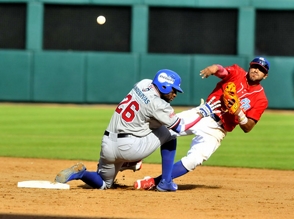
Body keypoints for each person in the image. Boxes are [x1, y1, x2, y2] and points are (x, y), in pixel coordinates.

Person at [54, 69, 220, 192]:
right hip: (129, 147)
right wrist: (201, 113)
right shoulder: (159, 105)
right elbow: (180, 127)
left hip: (107, 144)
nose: (175, 94)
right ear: (163, 86)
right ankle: (166, 182)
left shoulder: (144, 83)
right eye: (173, 89)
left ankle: (81, 174)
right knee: (171, 133)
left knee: (104, 184)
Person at [134, 56, 270, 190]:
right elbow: (223, 71)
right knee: (164, 129)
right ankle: (134, 157)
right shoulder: (238, 73)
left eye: (261, 69)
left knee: (194, 160)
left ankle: (155, 181)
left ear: (265, 76)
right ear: (250, 67)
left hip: (218, 130)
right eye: (254, 66)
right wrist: (214, 68)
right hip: (203, 113)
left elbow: (248, 127)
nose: (256, 70)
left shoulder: (261, 99)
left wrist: (239, 112)